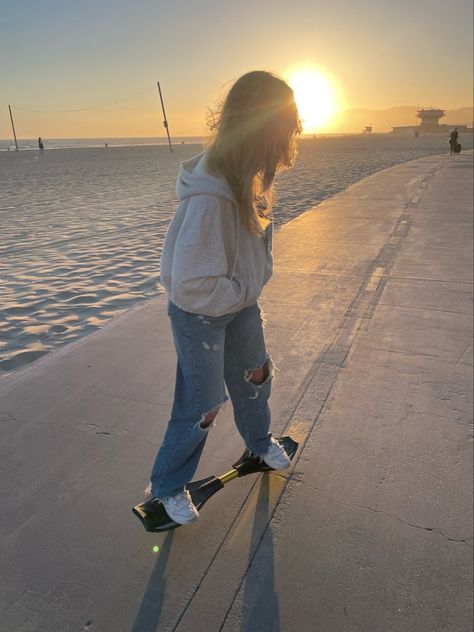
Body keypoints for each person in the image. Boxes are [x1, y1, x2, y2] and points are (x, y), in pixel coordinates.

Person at [147, 70, 302, 525]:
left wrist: (248, 289)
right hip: (201, 313)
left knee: (255, 376)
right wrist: (238, 290)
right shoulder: (211, 195)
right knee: (202, 405)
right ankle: (168, 487)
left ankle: (258, 445)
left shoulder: (245, 176)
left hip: (238, 304)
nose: (292, 136)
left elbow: (248, 249)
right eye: (286, 128)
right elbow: (188, 281)